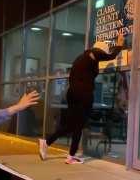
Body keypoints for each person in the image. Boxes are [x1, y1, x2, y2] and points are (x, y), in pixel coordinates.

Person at [39, 33, 125, 164]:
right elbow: (111, 56)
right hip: (83, 94)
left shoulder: (82, 58)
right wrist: (119, 44)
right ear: (100, 50)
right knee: (78, 124)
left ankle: (54, 146)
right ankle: (60, 150)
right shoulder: (94, 53)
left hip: (72, 94)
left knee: (74, 125)